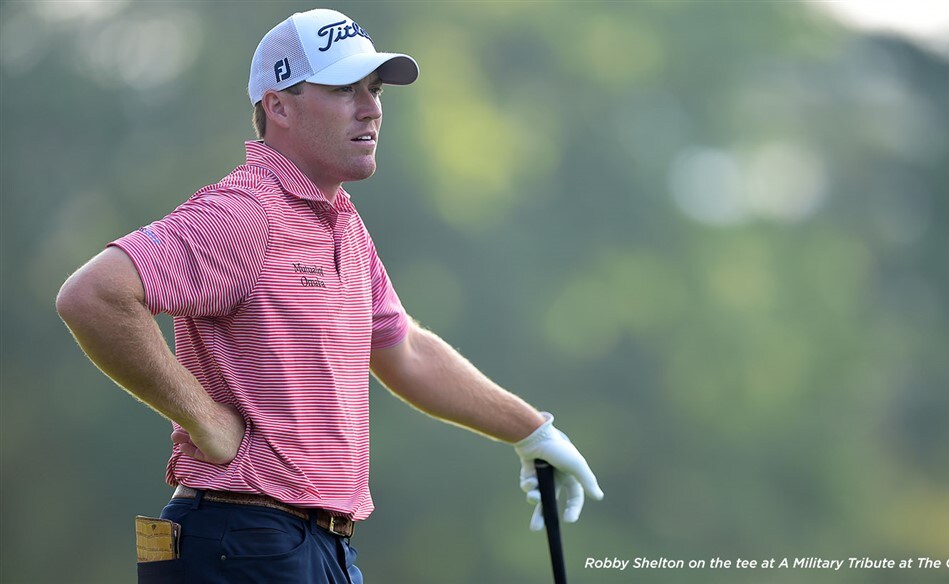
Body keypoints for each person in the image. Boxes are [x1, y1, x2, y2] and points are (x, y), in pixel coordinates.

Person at [55, 8, 602, 584]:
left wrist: (530, 430)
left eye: (373, 88)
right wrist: (202, 418)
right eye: (344, 90)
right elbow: (95, 295)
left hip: (315, 547)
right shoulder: (244, 212)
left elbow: (403, 349)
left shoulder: (342, 223)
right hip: (241, 542)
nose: (371, 107)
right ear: (279, 106)